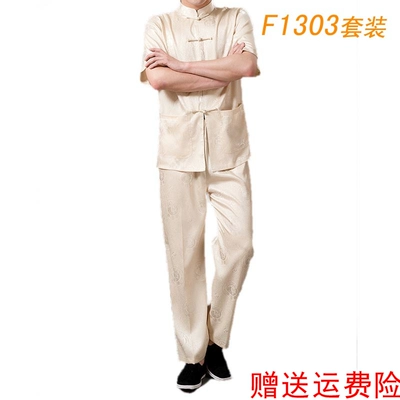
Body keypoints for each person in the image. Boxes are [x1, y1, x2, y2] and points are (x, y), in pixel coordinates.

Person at [140, 0, 260, 391]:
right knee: (184, 254)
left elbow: (246, 67)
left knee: (240, 245)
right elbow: (159, 80)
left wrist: (183, 65)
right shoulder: (159, 24)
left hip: (229, 149)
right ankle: (194, 355)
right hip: (178, 153)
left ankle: (214, 339)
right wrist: (221, 70)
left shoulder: (236, 17)